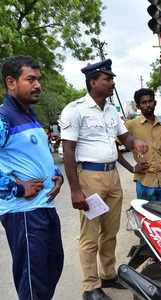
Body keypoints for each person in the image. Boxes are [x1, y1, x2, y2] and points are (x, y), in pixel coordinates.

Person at [59, 59, 148, 300]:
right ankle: (90, 287)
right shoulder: (75, 109)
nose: (112, 83)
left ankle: (108, 275)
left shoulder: (111, 110)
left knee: (110, 231)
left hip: (112, 177)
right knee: (90, 235)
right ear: (93, 82)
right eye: (108, 79)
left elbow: (124, 138)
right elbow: (68, 151)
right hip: (90, 177)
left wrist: (135, 142)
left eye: (112, 78)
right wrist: (75, 191)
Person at [0, 56, 64, 300]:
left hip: (44, 206)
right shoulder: (4, 117)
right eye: (31, 79)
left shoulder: (30, 116)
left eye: (39, 79)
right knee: (33, 281)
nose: (38, 85)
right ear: (11, 82)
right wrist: (16, 188)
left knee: (52, 267)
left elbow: (33, 156)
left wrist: (55, 175)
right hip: (24, 212)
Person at [125, 88, 161, 202]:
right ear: (138, 106)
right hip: (144, 182)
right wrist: (132, 168)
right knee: (147, 218)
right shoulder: (131, 125)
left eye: (150, 101)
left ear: (155, 103)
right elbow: (114, 145)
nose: (148, 105)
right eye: (143, 102)